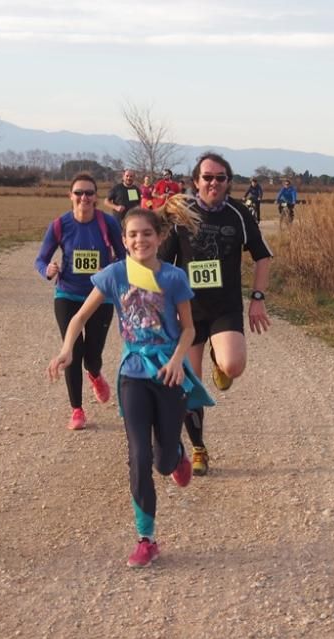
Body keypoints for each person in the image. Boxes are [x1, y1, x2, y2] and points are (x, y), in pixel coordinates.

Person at [48, 198, 213, 567]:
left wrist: (175, 361)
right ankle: (146, 539)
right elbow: (79, 316)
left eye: (147, 234)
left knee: (162, 460)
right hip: (133, 374)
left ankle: (178, 456)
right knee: (138, 456)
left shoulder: (173, 277)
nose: (141, 240)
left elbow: (189, 329)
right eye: (133, 235)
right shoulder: (114, 274)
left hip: (168, 372)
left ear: (160, 236)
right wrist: (66, 350)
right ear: (124, 240)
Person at [158, 152, 273, 476]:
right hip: (188, 312)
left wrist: (258, 298)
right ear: (196, 181)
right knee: (189, 386)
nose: (213, 182)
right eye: (207, 177)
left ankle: (219, 361)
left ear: (228, 182)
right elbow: (162, 262)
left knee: (233, 366)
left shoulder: (238, 213)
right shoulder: (182, 213)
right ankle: (198, 448)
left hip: (224, 308)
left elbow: (262, 256)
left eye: (220, 177)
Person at [35, 173, 127, 430]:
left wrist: (109, 270)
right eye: (79, 193)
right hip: (67, 294)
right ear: (70, 196)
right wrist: (48, 270)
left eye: (89, 193)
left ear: (96, 197)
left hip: (100, 296)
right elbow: (40, 260)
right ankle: (77, 409)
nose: (84, 197)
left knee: (92, 355)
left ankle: (95, 374)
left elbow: (124, 257)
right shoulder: (60, 225)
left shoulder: (107, 223)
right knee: (72, 351)